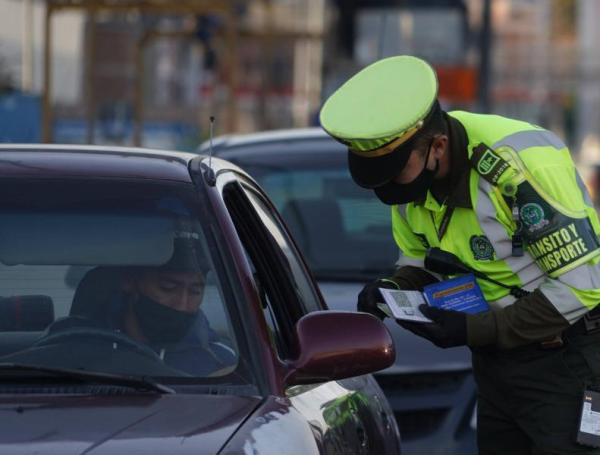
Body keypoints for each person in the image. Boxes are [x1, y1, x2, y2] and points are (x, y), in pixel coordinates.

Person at [319, 55, 600, 454]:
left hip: (566, 361)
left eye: (397, 173)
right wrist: (393, 287)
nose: (392, 193)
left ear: (438, 146)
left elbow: (583, 287)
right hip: (495, 366)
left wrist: (474, 330)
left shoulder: (516, 168)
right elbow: (418, 257)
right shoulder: (410, 183)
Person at [71, 232, 237, 376]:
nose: (182, 304)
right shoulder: (78, 351)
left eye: (195, 292)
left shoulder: (224, 364)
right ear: (130, 281)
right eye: (168, 288)